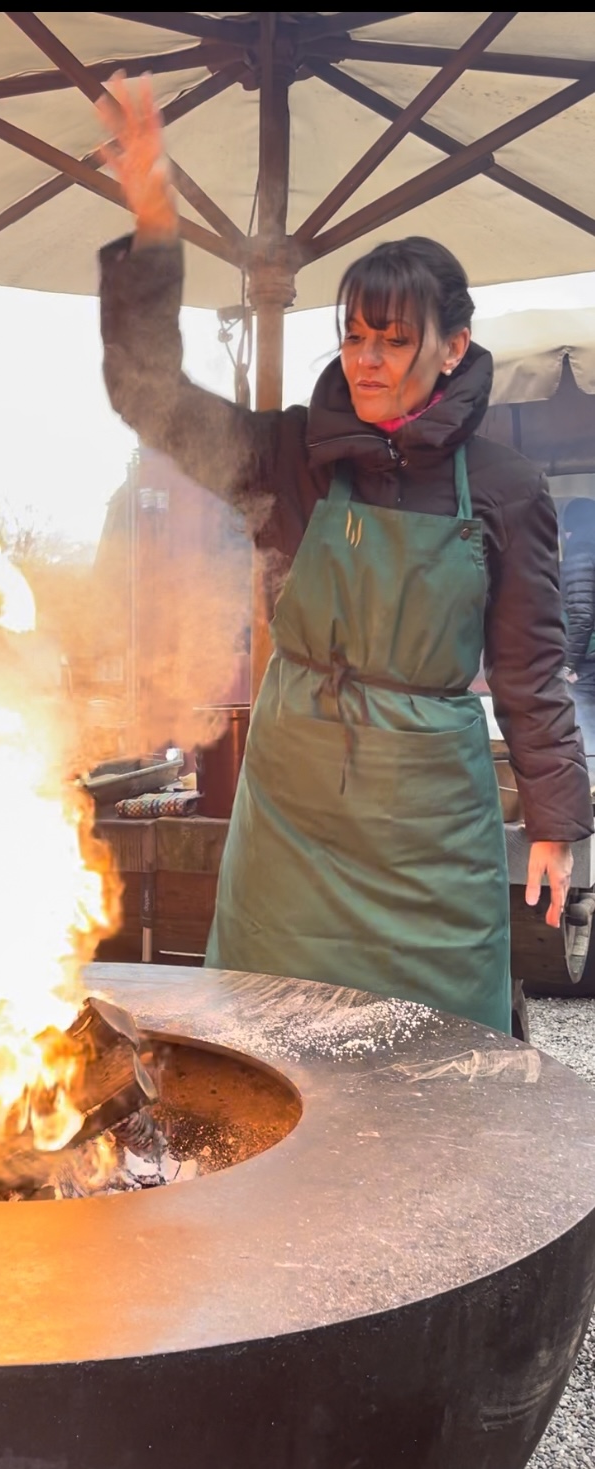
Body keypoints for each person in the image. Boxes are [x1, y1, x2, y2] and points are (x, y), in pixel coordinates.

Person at [96, 78, 593, 1035]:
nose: (365, 358)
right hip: (293, 822)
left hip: (430, 830)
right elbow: (145, 392)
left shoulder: (504, 488)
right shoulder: (287, 457)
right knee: (272, 1053)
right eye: (354, 336)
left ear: (454, 348)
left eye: (393, 339)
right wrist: (153, 219)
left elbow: (532, 668)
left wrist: (557, 821)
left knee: (442, 1060)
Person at [560, 497, 595, 767]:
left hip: (588, 663)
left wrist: (569, 663)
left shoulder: (581, 550)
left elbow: (582, 615)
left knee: (587, 731)